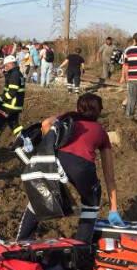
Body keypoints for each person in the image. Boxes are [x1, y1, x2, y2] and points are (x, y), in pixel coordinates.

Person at [16, 93, 121, 243]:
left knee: (40, 194)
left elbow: (46, 123)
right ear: (99, 112)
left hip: (57, 163)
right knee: (91, 201)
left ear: (78, 108)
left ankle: (23, 239)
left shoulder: (69, 121)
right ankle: (81, 244)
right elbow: (109, 175)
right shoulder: (101, 132)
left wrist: (51, 139)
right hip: (83, 169)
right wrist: (113, 209)